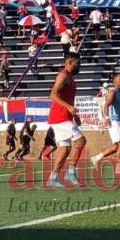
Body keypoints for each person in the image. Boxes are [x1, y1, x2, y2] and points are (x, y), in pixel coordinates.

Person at [46, 53, 86, 188]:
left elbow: (68, 99)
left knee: (65, 149)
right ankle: (70, 172)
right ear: (69, 62)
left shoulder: (70, 78)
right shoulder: (63, 75)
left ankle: (53, 178)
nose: (79, 66)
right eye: (77, 63)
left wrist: (74, 115)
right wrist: (68, 107)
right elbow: (52, 95)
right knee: (80, 141)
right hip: (59, 117)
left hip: (63, 117)